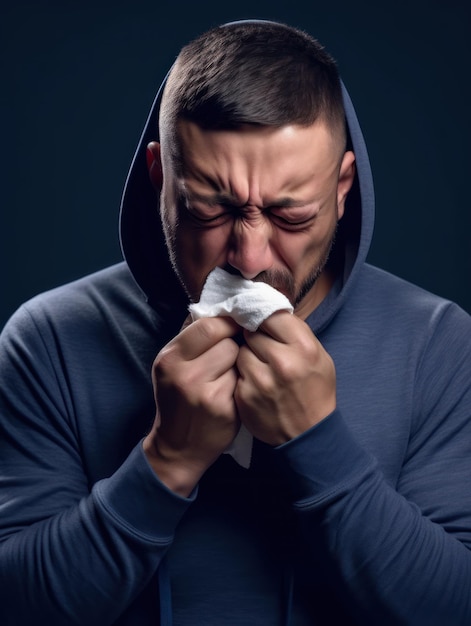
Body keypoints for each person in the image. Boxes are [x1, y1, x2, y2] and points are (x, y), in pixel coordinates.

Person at [0, 18, 470, 626]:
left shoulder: (439, 344)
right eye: (209, 209)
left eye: (291, 215)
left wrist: (320, 445)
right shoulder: (51, 340)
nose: (249, 258)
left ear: (342, 188)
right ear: (159, 179)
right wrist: (166, 460)